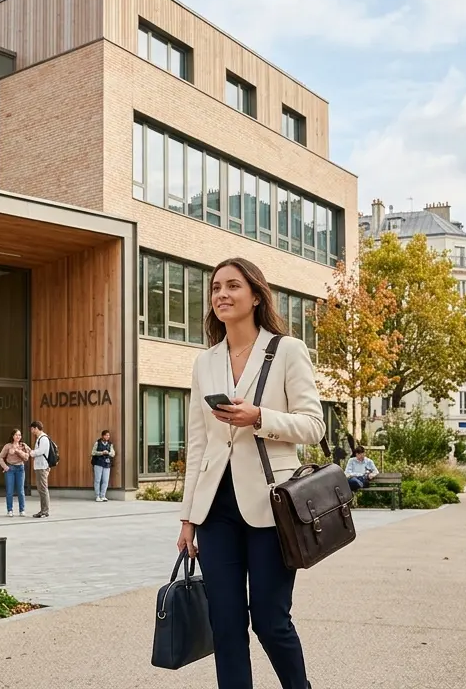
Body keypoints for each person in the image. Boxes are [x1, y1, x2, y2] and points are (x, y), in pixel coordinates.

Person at [176, 257, 324, 689]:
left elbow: (313, 426)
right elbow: (199, 444)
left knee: (270, 620)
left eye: (233, 286)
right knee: (225, 623)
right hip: (216, 511)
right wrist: (189, 518)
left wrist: (260, 416)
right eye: (216, 287)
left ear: (256, 295)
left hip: (271, 506)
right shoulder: (205, 363)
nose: (221, 294)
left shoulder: (287, 350)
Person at [0, 429, 32, 516]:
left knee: (21, 491)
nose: (18, 437)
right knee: (9, 491)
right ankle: (10, 510)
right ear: (13, 436)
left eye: (20, 435)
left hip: (20, 468)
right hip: (10, 469)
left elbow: (27, 457)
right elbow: (0, 457)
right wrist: (5, 467)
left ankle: (22, 510)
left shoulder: (23, 446)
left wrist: (18, 451)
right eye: (16, 435)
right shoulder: (8, 446)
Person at [30, 421, 53, 518]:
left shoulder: (43, 438)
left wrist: (32, 453)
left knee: (43, 489)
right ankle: (43, 510)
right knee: (41, 489)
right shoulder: (40, 438)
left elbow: (41, 451)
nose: (31, 431)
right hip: (40, 466)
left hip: (42, 466)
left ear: (36, 428)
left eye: (32, 429)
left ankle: (45, 511)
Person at [91, 430, 115, 502]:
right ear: (103, 436)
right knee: (98, 480)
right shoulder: (97, 443)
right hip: (98, 463)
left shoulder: (110, 444)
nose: (108, 437)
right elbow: (93, 452)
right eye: (106, 435)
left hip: (107, 464)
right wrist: (101, 453)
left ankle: (103, 495)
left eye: (108, 435)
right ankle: (97, 496)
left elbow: (113, 453)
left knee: (105, 480)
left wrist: (108, 453)